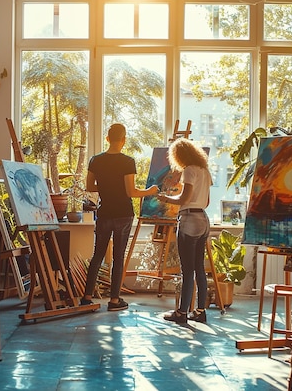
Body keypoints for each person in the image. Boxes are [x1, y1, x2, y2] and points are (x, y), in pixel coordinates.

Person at [81, 123, 159, 311]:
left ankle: (87, 297)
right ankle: (115, 300)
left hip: (104, 213)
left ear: (107, 138)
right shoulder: (127, 161)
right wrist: (149, 191)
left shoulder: (95, 160)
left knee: (97, 255)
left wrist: (107, 187)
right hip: (123, 214)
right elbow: (131, 191)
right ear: (124, 140)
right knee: (118, 257)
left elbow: (90, 186)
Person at [157, 138, 212, 323]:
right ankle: (200, 311)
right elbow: (207, 201)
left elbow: (185, 197)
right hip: (204, 219)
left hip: (189, 220)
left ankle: (181, 313)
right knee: (199, 268)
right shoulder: (204, 171)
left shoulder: (189, 170)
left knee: (187, 270)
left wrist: (166, 199)